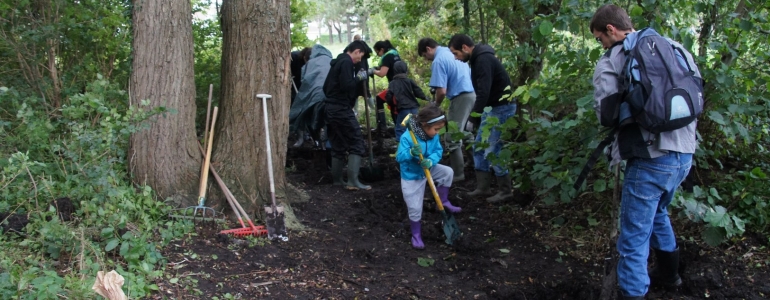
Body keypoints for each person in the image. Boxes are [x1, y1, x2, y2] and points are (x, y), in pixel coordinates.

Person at [590, 5, 700, 299]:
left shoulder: (614, 58)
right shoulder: (675, 47)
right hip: (685, 153)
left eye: (600, 38)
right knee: (658, 212)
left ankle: (633, 292)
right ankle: (670, 276)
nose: (601, 44)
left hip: (650, 156)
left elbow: (605, 114)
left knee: (633, 238)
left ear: (611, 29)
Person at [448, 34, 516, 203]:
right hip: (492, 108)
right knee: (479, 147)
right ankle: (483, 187)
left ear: (465, 47)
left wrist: (473, 118)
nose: (456, 58)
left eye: (456, 53)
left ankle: (505, 190)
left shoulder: (483, 60)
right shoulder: (477, 59)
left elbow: (484, 91)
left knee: (493, 150)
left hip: (502, 108)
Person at [396, 104, 461, 249]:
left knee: (447, 172)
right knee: (414, 207)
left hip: (428, 168)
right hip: (412, 175)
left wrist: (431, 160)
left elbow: (438, 151)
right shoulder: (408, 137)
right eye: (436, 129)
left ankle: (443, 200)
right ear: (425, 125)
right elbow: (399, 157)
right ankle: (416, 235)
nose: (437, 132)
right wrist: (411, 153)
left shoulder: (433, 137)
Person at [417, 37, 475, 182]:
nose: (426, 59)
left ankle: (458, 174)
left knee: (452, 136)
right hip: (472, 95)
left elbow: (441, 91)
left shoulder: (438, 60)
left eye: (425, 56)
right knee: (466, 133)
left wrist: (435, 105)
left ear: (429, 49)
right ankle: (476, 164)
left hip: (461, 97)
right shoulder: (451, 53)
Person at [323, 40, 373, 190]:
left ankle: (338, 180)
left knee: (338, 143)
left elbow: (326, 87)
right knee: (356, 142)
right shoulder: (346, 63)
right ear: (356, 51)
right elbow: (346, 85)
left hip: (330, 108)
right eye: (360, 57)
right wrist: (359, 77)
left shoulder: (337, 62)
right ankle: (353, 181)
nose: (360, 60)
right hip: (340, 109)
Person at [289, 44, 332, 149]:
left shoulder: (314, 63)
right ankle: (303, 136)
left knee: (312, 114)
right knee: (301, 110)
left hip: (315, 90)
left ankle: (321, 142)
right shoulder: (293, 58)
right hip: (298, 86)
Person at [385, 61, 428, 140]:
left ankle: (402, 146)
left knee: (400, 128)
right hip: (414, 107)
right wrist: (425, 97)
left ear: (394, 71)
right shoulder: (409, 81)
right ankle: (417, 144)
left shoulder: (393, 83)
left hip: (403, 108)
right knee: (415, 127)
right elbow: (417, 91)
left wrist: (390, 104)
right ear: (406, 70)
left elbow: (389, 95)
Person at [370, 40, 403, 135]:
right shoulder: (394, 54)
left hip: (395, 87)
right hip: (401, 85)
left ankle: (387, 128)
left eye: (377, 52)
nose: (378, 55)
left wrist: (372, 71)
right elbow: (387, 67)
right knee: (380, 99)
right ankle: (386, 128)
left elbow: (382, 73)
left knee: (394, 109)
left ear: (382, 49)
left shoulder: (387, 57)